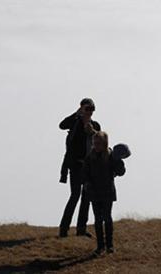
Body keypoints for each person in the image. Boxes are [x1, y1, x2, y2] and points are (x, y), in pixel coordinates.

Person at [58, 98, 101, 238]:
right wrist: (77, 113)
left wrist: (93, 132)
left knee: (86, 197)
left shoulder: (95, 125)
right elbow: (62, 125)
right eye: (87, 109)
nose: (89, 112)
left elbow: (101, 142)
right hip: (76, 165)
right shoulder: (75, 122)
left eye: (91, 109)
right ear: (81, 108)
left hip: (89, 166)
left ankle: (81, 229)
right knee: (75, 195)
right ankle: (64, 229)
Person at [83, 131, 126, 255]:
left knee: (107, 218)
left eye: (98, 143)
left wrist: (119, 160)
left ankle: (109, 246)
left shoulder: (111, 156)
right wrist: (87, 183)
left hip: (107, 191)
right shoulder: (90, 157)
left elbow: (120, 172)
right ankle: (100, 246)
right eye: (94, 143)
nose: (96, 145)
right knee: (98, 219)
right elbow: (85, 173)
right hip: (94, 192)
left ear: (104, 143)